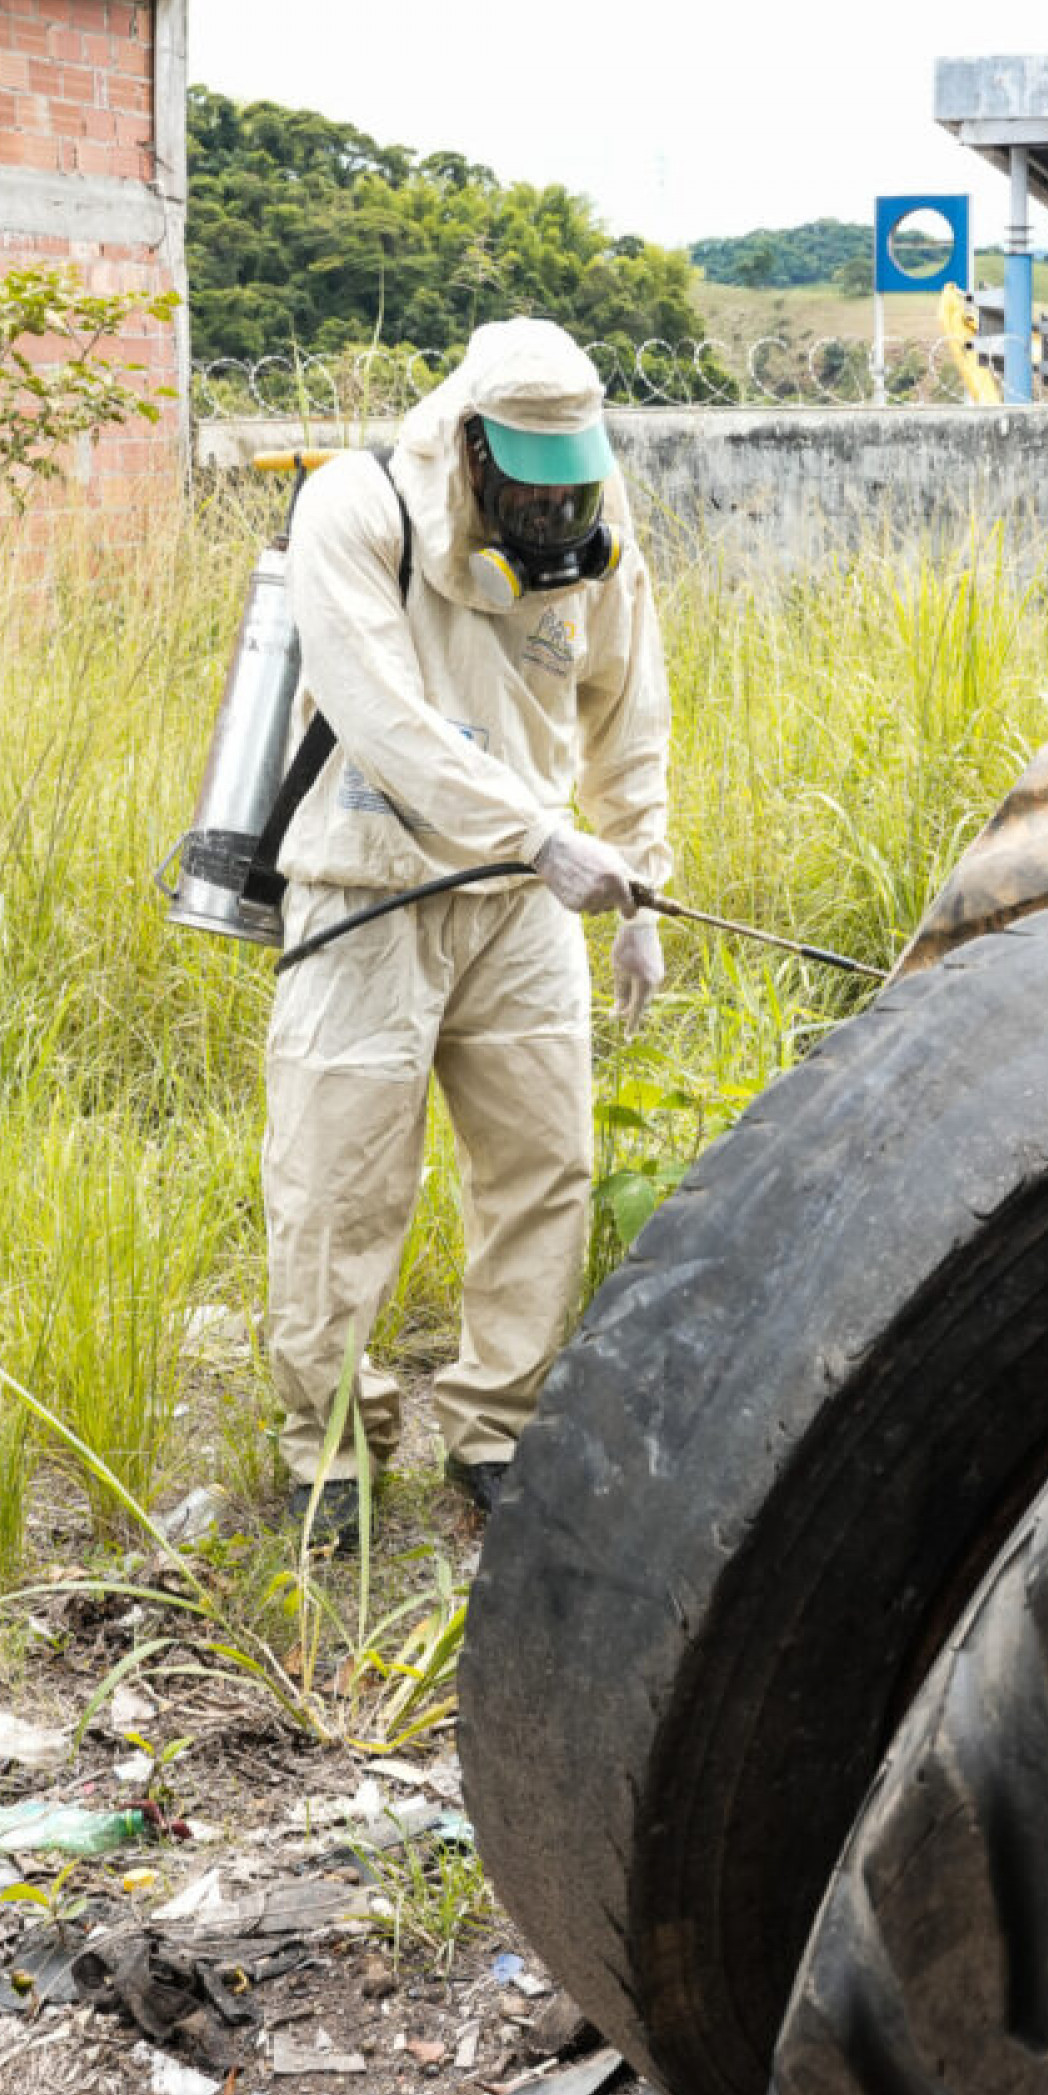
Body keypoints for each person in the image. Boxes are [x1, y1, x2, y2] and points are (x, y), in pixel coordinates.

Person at [263, 318, 671, 1544]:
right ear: (471, 444)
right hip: (366, 885)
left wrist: (642, 890)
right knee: (338, 1185)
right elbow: (379, 714)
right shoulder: (358, 507)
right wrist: (540, 835)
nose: (551, 510)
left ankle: (495, 1430)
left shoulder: (600, 526)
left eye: (569, 483)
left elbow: (628, 712)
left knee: (545, 1169)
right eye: (528, 484)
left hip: (522, 904)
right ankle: (331, 1455)